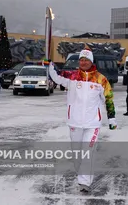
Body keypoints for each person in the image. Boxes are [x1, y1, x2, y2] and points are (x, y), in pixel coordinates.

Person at [48, 49, 117, 192]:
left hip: (93, 124)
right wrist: (49, 65)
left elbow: (109, 99)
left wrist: (112, 118)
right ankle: (82, 174)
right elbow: (56, 76)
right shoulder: (72, 76)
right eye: (81, 59)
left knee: (88, 152)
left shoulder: (101, 79)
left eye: (86, 59)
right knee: (77, 153)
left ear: (91, 61)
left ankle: (85, 182)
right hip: (75, 122)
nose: (83, 62)